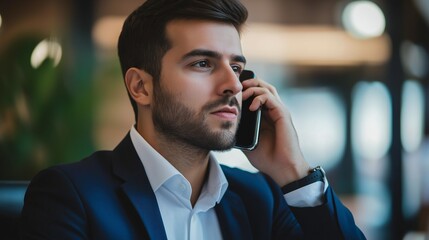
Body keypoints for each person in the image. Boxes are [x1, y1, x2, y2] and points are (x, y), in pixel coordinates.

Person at [20, 0, 366, 239]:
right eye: (203, 63)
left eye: (236, 67)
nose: (233, 84)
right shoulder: (71, 195)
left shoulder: (260, 198)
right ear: (141, 87)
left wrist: (294, 173)